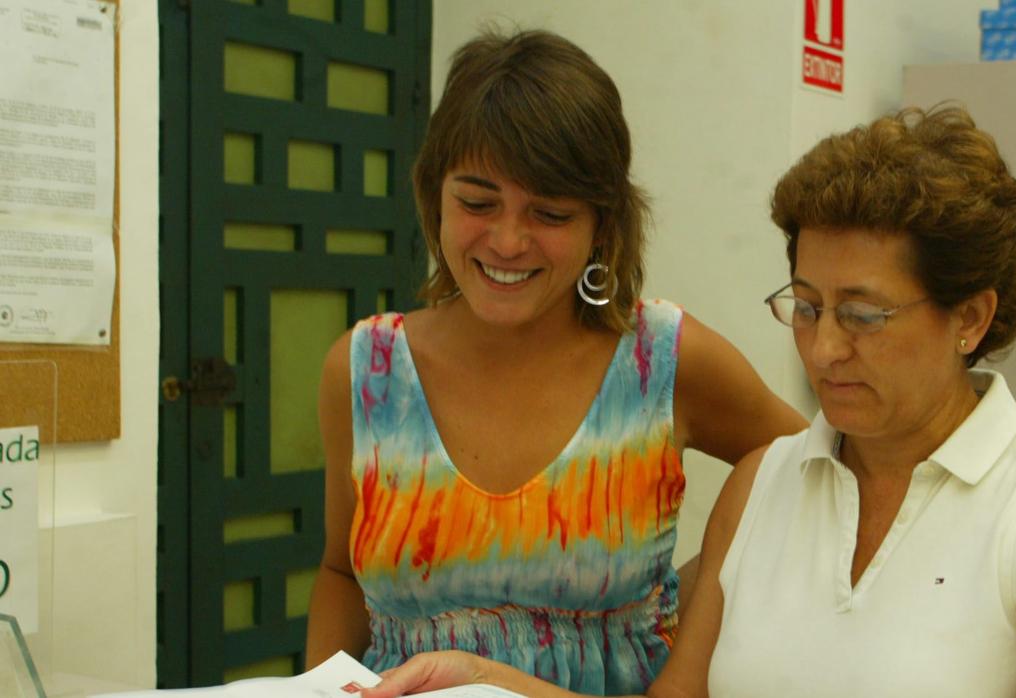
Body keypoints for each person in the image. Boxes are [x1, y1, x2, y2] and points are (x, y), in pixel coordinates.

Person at [360, 105, 1016, 697]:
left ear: (969, 317)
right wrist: (480, 681)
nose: (824, 348)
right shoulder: (765, 484)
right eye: (805, 306)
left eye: (864, 316)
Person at [304, 28, 806, 696]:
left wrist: (707, 594)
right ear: (433, 196)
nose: (508, 240)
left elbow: (813, 469)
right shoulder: (366, 373)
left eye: (550, 212)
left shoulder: (663, 362)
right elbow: (340, 572)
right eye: (477, 202)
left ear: (604, 222)